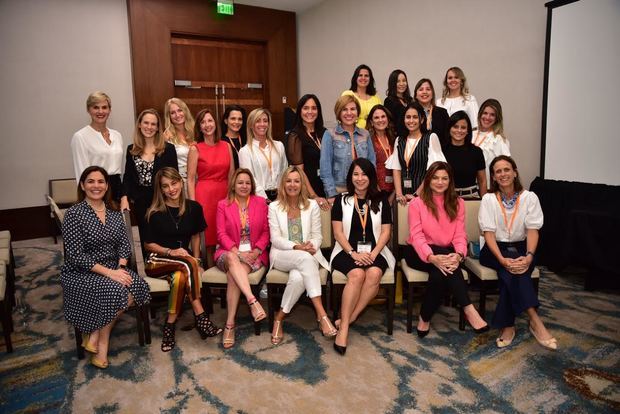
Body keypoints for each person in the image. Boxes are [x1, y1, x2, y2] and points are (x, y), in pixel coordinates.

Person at [60, 166, 151, 368]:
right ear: (82, 185)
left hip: (114, 267)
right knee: (118, 291)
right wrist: (111, 274)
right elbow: (76, 256)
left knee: (137, 286)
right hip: (82, 272)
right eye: (91, 181)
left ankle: (96, 334)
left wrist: (120, 268)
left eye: (101, 181)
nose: (96, 186)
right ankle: (102, 344)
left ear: (107, 185)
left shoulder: (114, 213)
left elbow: (124, 245)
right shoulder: (74, 214)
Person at [479, 155, 557, 350]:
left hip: (523, 247)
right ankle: (534, 319)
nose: (503, 174)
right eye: (498, 171)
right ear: (494, 178)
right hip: (494, 249)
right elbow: (488, 234)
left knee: (511, 274)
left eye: (507, 169)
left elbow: (533, 230)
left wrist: (530, 256)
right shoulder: (488, 199)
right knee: (511, 267)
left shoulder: (530, 198)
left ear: (515, 172)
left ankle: (507, 326)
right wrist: (501, 259)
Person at [404, 162, 489, 337]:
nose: (440, 182)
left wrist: (459, 254)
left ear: (450, 181)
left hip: (446, 252)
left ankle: (424, 317)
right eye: (435, 177)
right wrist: (431, 257)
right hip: (418, 252)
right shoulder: (416, 204)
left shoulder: (458, 203)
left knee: (440, 272)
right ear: (428, 180)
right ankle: (468, 309)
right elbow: (417, 236)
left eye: (444, 178)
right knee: (443, 264)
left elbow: (460, 235)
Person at [143, 168, 222, 352]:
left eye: (174, 183)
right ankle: (201, 316)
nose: (171, 189)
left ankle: (169, 327)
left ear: (181, 182)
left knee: (180, 278)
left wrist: (195, 259)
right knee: (188, 265)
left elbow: (195, 236)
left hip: (183, 263)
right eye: (165, 186)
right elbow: (148, 245)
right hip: (157, 260)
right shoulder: (153, 212)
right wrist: (171, 252)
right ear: (160, 190)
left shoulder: (194, 208)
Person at [330, 159, 395, 355]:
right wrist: (354, 253)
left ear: (371, 177)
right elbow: (338, 233)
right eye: (356, 174)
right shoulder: (342, 200)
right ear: (351, 177)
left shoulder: (381, 200)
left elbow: (386, 232)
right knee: (357, 274)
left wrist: (373, 254)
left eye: (364, 174)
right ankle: (345, 330)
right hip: (346, 250)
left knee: (374, 273)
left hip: (376, 251)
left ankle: (348, 319)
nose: (360, 178)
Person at [267, 167, 336, 344]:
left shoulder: (312, 205)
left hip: (307, 254)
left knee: (298, 278)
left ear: (301, 184)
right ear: (283, 184)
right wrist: (298, 246)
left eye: (296, 181)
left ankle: (279, 318)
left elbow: (317, 234)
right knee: (304, 259)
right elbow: (275, 239)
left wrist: (312, 246)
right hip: (282, 255)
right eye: (288, 181)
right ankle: (321, 314)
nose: (292, 184)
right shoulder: (274, 207)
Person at [214, 169, 270, 349]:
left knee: (233, 276)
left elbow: (266, 232)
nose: (244, 186)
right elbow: (220, 233)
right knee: (232, 259)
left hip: (254, 253)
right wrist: (237, 252)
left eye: (247, 182)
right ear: (233, 185)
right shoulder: (223, 204)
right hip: (228, 251)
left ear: (252, 185)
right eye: (240, 182)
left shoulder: (261, 203)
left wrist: (257, 250)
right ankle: (252, 301)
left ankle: (229, 324)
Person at [120, 109, 178, 255]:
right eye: (146, 122)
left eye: (153, 124)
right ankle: (150, 270)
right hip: (141, 203)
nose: (149, 127)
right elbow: (127, 177)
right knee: (147, 240)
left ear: (158, 127)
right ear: (139, 124)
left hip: (163, 201)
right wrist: (124, 197)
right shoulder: (131, 150)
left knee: (165, 237)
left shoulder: (168, 149)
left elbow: (174, 177)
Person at [187, 108, 234, 267]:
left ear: (216, 123)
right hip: (204, 197)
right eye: (203, 122)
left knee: (225, 234)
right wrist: (193, 205)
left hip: (224, 195)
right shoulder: (195, 148)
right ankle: (204, 272)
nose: (207, 125)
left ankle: (223, 270)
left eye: (210, 120)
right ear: (199, 127)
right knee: (206, 237)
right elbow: (191, 179)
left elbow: (232, 175)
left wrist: (232, 198)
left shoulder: (226, 146)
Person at [320, 94, 377, 202]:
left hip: (363, 192)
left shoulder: (365, 134)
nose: (349, 113)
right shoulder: (330, 135)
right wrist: (331, 194)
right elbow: (325, 169)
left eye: (353, 109)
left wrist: (371, 189)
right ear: (338, 113)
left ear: (357, 112)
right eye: (344, 109)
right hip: (339, 192)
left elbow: (372, 164)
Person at [387, 102, 445, 205]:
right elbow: (396, 169)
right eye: (408, 117)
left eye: (415, 117)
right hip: (403, 198)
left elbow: (434, 171)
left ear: (422, 119)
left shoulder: (431, 138)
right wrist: (399, 194)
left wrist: (416, 195)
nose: (411, 121)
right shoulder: (399, 140)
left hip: (425, 196)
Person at [71, 92, 124, 201]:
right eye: (96, 107)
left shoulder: (117, 135)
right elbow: (82, 173)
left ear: (110, 110)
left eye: (104, 107)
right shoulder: (80, 136)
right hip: (96, 190)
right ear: (88, 110)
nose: (100, 111)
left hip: (117, 189)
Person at [286, 94, 330, 210]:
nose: (310, 111)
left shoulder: (324, 132)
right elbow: (299, 171)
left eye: (314, 108)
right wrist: (314, 196)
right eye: (306, 108)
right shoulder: (295, 136)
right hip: (308, 191)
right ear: (300, 111)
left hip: (327, 188)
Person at [239, 108, 288, 201]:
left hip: (281, 196)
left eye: (265, 121)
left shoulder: (279, 146)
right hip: (259, 198)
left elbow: (284, 171)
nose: (262, 124)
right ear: (250, 125)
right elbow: (250, 178)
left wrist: (281, 193)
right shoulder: (245, 151)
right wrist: (265, 199)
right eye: (258, 121)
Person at [442, 111, 487, 199]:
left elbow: (482, 181)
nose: (459, 130)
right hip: (448, 197)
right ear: (449, 128)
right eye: (455, 127)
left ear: (467, 131)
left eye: (463, 128)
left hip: (471, 197)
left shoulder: (476, 152)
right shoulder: (441, 151)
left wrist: (484, 202)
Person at [473, 99, 511, 185]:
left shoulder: (499, 140)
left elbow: (505, 168)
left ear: (497, 118)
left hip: (489, 188)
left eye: (492, 115)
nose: (487, 117)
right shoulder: (469, 134)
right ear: (480, 114)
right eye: (485, 113)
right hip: (469, 187)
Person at [366, 105, 396, 203]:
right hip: (375, 190)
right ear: (371, 122)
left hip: (394, 189)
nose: (380, 120)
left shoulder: (394, 138)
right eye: (376, 117)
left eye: (383, 116)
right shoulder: (368, 140)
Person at [163, 97, 195, 183]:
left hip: (200, 179)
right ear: (168, 116)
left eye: (180, 110)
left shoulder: (196, 131)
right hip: (180, 181)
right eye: (173, 113)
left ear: (185, 111)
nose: (177, 115)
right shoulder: (167, 137)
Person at [341, 64, 381, 129]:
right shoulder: (348, 94)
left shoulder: (376, 97)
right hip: (353, 133)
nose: (363, 78)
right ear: (355, 78)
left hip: (372, 134)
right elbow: (341, 114)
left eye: (366, 76)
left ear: (370, 79)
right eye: (360, 75)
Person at [413, 78, 450, 145]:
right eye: (421, 89)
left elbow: (447, 137)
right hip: (416, 152)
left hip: (438, 152)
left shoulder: (442, 113)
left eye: (428, 89)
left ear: (432, 94)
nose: (425, 92)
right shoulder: (410, 114)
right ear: (416, 95)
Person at [383, 69, 412, 136]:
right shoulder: (389, 101)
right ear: (393, 83)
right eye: (398, 81)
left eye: (404, 81)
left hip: (411, 136)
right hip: (397, 137)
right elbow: (390, 123)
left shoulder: (410, 100)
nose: (402, 84)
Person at [221, 104, 247, 169]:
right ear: (226, 121)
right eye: (233, 118)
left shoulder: (247, 139)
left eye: (240, 119)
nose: (237, 122)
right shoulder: (221, 142)